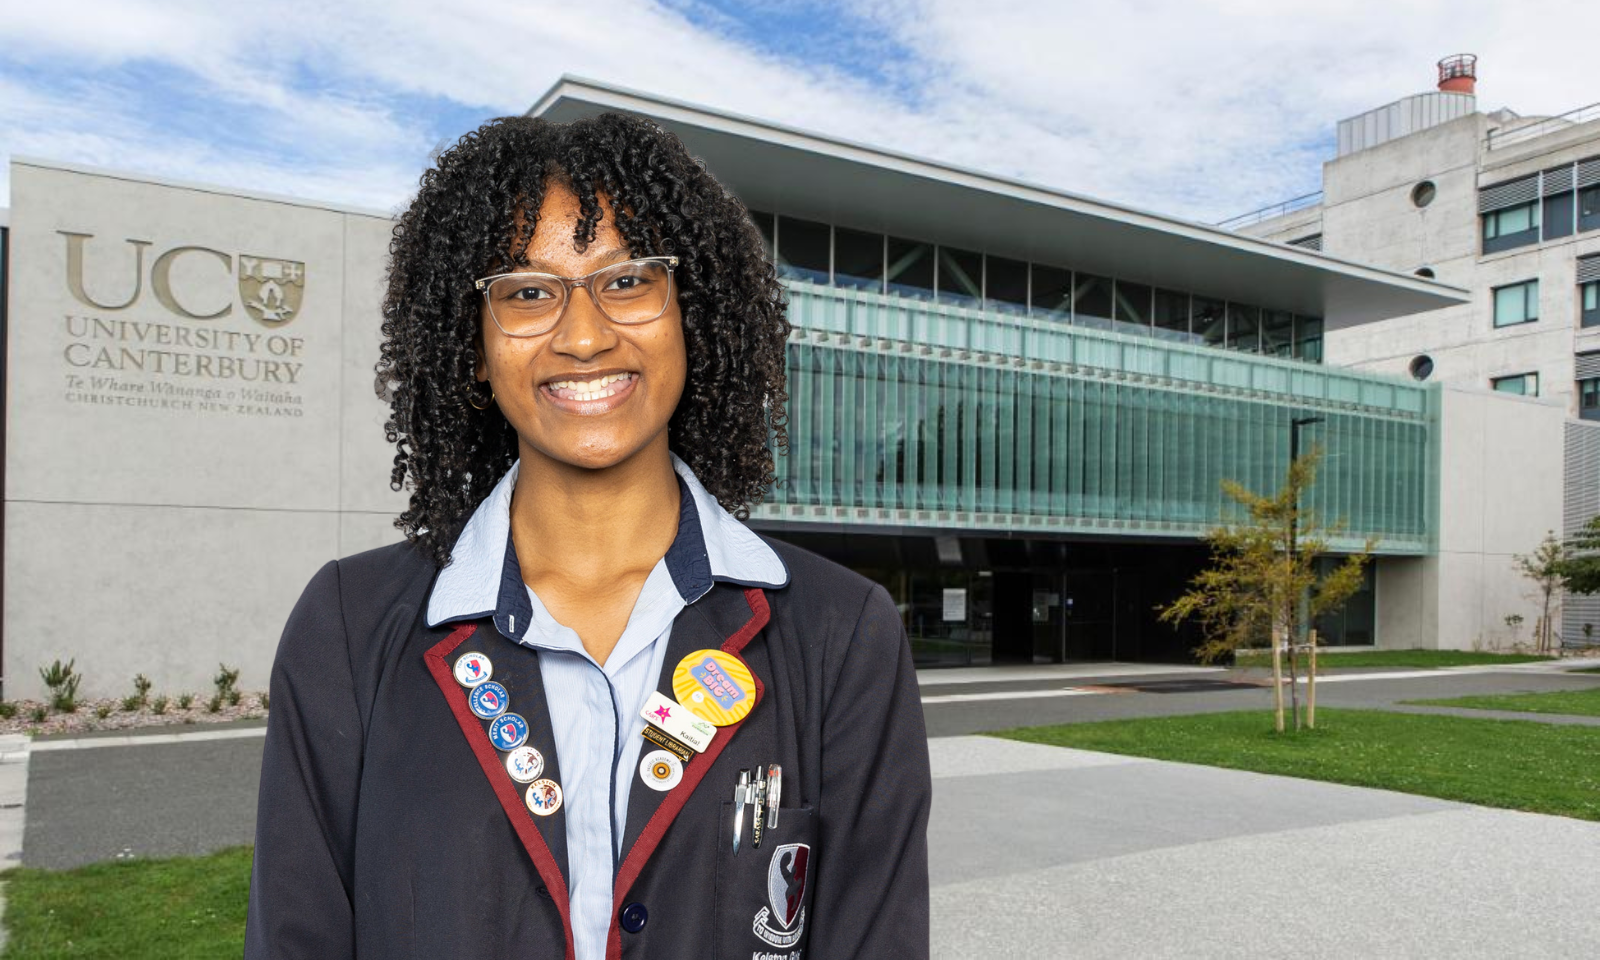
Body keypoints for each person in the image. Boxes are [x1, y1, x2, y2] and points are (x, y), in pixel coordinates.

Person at [244, 111, 931, 960]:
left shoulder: (841, 634)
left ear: (693, 315)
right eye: (528, 292)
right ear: (474, 343)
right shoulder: (348, 626)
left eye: (628, 281)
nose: (583, 335)